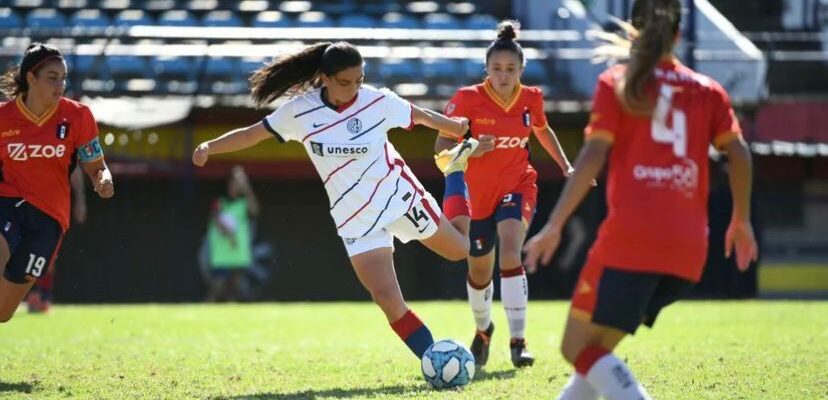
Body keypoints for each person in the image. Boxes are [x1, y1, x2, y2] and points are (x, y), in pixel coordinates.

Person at [523, 0, 758, 398]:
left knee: (574, 348)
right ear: (679, 35)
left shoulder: (617, 83)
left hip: (631, 241)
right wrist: (741, 220)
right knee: (596, 352)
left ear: (630, 30)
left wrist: (555, 225)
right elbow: (738, 153)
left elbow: (593, 154)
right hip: (689, 249)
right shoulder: (709, 91)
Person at [192, 41, 478, 361]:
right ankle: (434, 359)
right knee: (386, 299)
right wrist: (209, 147)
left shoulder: (376, 101)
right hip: (354, 217)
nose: (354, 88)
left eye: (359, 80)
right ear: (325, 79)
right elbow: (251, 133)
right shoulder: (300, 111)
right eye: (345, 82)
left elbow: (419, 116)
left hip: (397, 197)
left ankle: (454, 169)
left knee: (459, 250)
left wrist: (454, 127)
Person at [435, 20, 574, 368]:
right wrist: (470, 147)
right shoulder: (468, 99)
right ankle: (483, 331)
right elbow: (440, 147)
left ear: (521, 70)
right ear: (486, 69)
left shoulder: (532, 98)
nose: (504, 74)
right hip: (476, 195)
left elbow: (542, 131)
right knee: (480, 272)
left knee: (511, 251)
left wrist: (566, 166)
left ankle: (518, 340)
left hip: (517, 185)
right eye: (497, 68)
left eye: (511, 68)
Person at [0, 42, 114, 323]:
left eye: (63, 78)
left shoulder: (78, 116)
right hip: (6, 204)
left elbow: (96, 166)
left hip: (49, 219)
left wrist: (103, 179)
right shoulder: (3, 118)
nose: (60, 84)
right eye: (53, 77)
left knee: (3, 313)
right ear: (31, 78)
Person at [25, 165, 88, 313]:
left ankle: (43, 296)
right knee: (22, 251)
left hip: (53, 207)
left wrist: (80, 200)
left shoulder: (61, 145)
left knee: (49, 255)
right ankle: (32, 294)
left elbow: (74, 170)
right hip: (24, 204)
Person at [204, 165, 260, 302]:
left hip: (238, 252)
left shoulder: (243, 202)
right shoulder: (219, 201)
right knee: (217, 288)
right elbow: (215, 219)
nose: (237, 184)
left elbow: (255, 211)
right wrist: (229, 236)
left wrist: (247, 188)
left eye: (240, 180)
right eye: (235, 180)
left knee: (234, 290)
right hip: (222, 252)